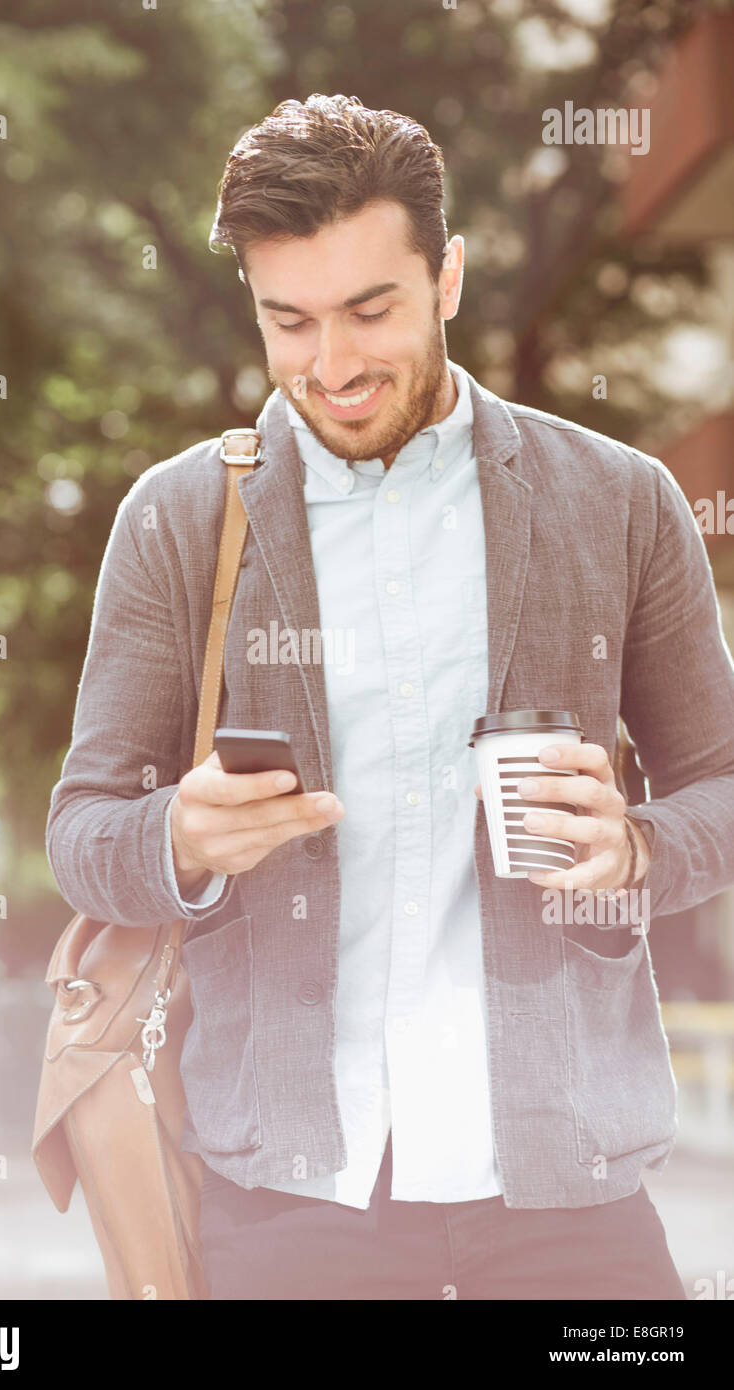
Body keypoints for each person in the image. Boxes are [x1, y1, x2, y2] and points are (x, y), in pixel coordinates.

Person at [46, 94, 734, 1300]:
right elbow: (82, 833)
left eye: (371, 310)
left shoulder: (619, 502)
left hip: (565, 1181)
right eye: (290, 322)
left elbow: (720, 787)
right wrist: (179, 839)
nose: (336, 366)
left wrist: (635, 847)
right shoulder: (179, 518)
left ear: (447, 277)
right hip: (294, 1195)